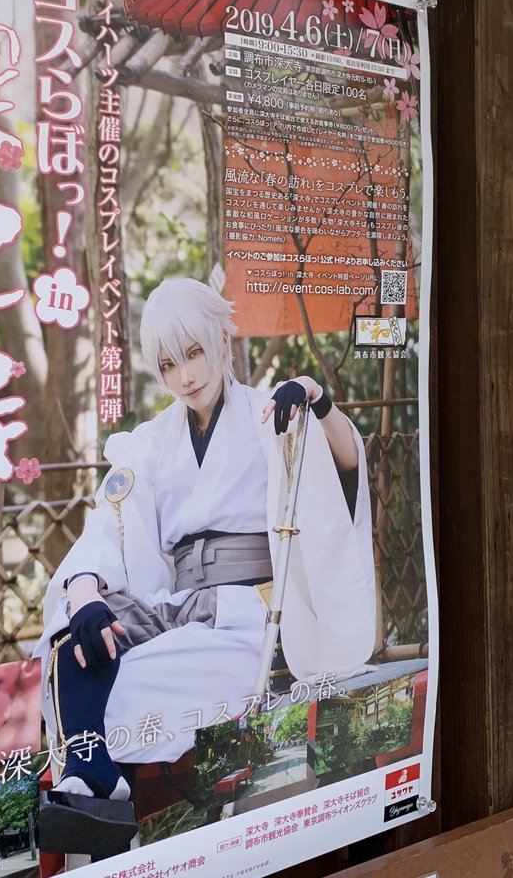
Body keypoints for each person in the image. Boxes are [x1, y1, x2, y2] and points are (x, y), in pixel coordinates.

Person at [33, 278, 374, 856]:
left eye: (193, 354)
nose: (185, 377)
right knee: (77, 635)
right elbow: (109, 524)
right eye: (169, 365)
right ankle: (97, 783)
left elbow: (345, 465)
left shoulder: (271, 411)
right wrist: (86, 591)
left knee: (113, 692)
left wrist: (316, 396)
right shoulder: (150, 442)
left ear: (221, 337)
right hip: (178, 607)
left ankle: (99, 786)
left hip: (253, 616)